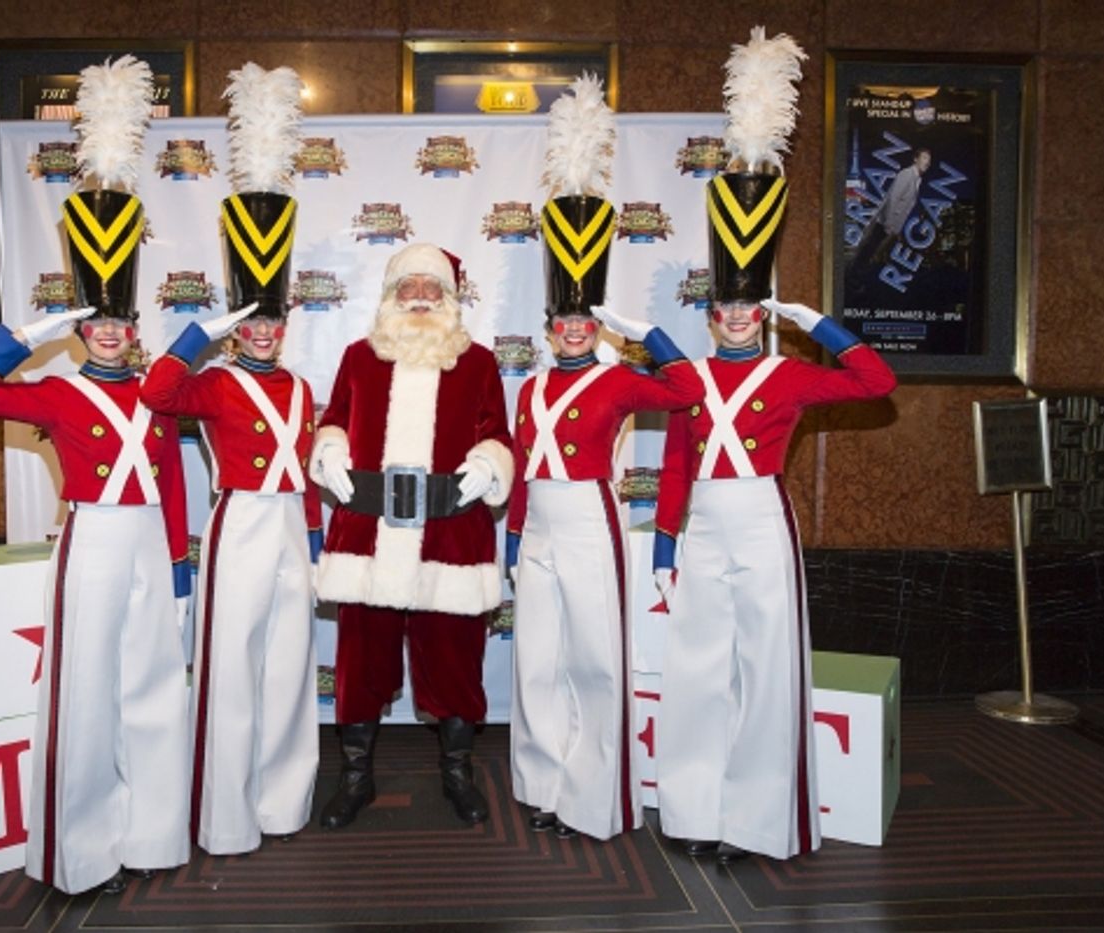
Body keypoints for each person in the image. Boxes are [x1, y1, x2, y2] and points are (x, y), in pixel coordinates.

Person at [0, 303, 193, 894]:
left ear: (135, 334)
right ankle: (83, 855)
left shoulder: (158, 395)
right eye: (95, 323)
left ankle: (151, 836)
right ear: (78, 333)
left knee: (154, 691)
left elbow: (174, 484)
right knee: (84, 696)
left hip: (153, 542)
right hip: (95, 536)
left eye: (120, 323)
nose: (108, 333)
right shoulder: (57, 392)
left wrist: (179, 571)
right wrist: (26, 335)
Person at [652, 295, 896, 862]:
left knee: (767, 671)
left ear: (763, 317)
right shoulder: (687, 380)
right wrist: (665, 548)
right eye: (725, 308)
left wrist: (813, 323)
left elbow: (876, 381)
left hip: (763, 518)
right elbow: (674, 466)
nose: (737, 318)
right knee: (697, 669)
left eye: (749, 308)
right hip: (704, 527)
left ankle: (757, 825)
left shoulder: (788, 374)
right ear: (710, 316)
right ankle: (695, 810)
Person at [309, 242, 514, 830]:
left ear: (450, 299)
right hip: (369, 531)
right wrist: (331, 451)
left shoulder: (476, 362)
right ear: (390, 297)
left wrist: (488, 462)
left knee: (454, 663)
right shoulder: (358, 356)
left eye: (433, 288)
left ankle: (457, 774)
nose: (421, 297)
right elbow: (335, 421)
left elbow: (497, 432)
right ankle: (355, 778)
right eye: (409, 287)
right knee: (359, 665)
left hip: (448, 535)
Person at [506, 303, 702, 841]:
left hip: (590, 518)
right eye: (562, 322)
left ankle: (593, 796)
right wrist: (513, 536)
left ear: (597, 329)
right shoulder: (531, 388)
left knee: (596, 661)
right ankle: (544, 785)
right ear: (547, 332)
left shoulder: (618, 382)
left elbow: (688, 393)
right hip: (539, 527)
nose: (572, 330)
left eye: (584, 322)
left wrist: (652, 336)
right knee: (537, 663)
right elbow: (525, 466)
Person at [141, 303, 322, 856]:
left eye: (272, 324)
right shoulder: (217, 381)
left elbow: (309, 473)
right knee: (232, 669)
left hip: (292, 521)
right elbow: (158, 395)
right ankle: (226, 819)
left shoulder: (301, 386)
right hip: (241, 519)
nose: (263, 333)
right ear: (235, 333)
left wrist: (314, 545)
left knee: (291, 668)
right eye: (250, 325)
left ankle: (283, 803)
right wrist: (197, 336)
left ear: (286, 330)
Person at [852, 148, 931, 270]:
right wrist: (888, 223)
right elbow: (893, 198)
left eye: (929, 160)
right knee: (869, 252)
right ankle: (853, 276)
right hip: (884, 224)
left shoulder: (917, 179)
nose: (927, 162)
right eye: (924, 158)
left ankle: (857, 275)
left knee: (873, 253)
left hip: (890, 226)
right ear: (915, 159)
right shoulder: (907, 174)